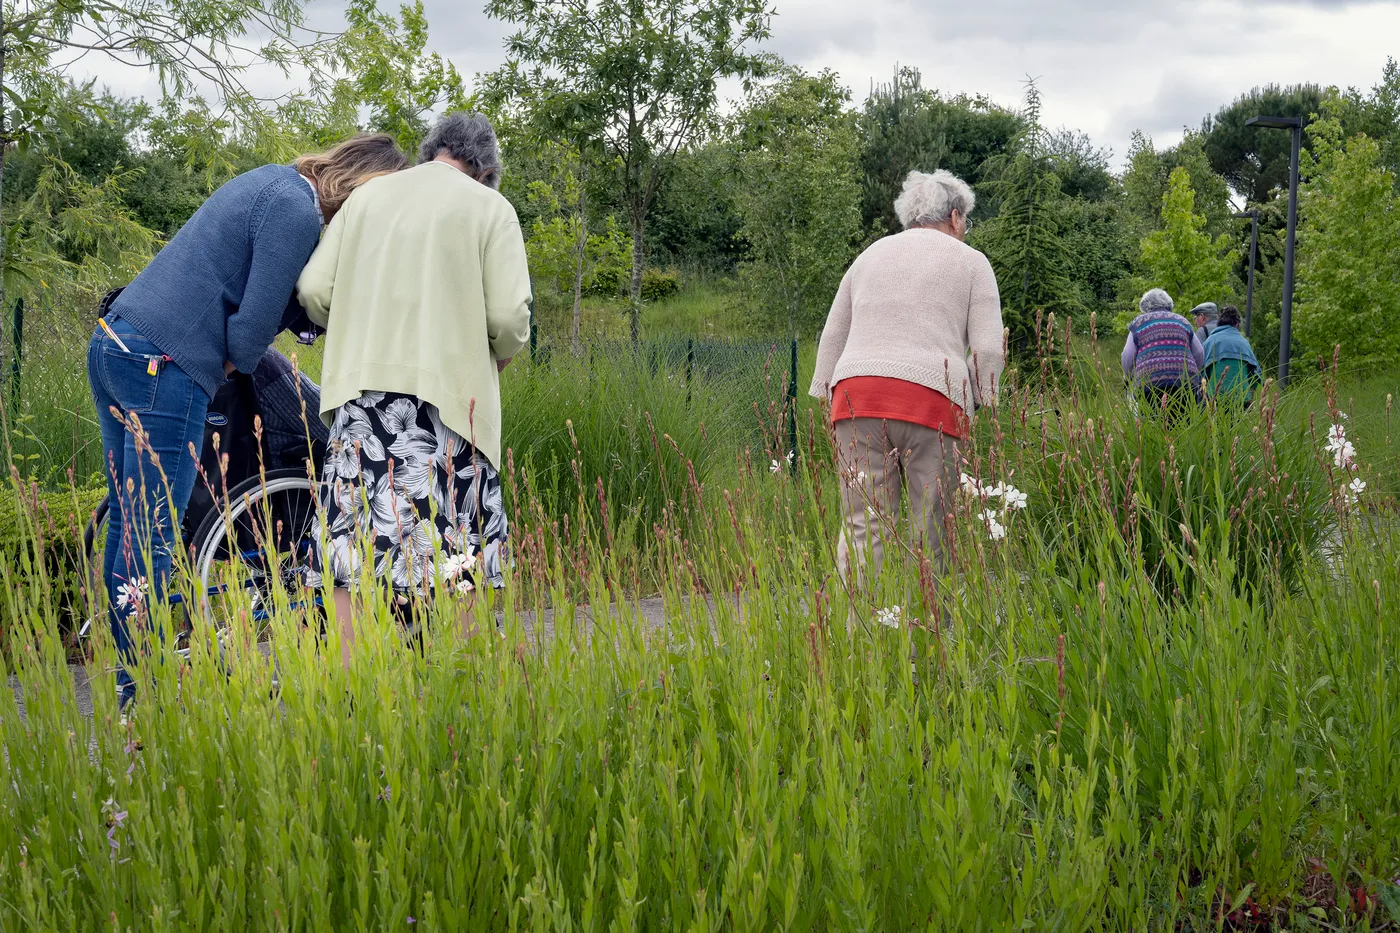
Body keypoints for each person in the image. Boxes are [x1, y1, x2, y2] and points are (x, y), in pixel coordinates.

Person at [88, 133, 408, 709]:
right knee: (155, 534)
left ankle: (128, 688)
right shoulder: (296, 213)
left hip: (117, 344)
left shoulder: (274, 183)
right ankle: (144, 698)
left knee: (130, 527)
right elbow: (249, 331)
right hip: (167, 363)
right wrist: (240, 356)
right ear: (361, 189)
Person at [296, 113, 532, 666]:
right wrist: (497, 353)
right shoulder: (490, 209)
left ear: (432, 152)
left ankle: (348, 698)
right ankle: (457, 696)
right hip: (448, 414)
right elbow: (507, 315)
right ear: (487, 170)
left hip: (361, 407)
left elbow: (312, 289)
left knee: (353, 552)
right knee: (456, 554)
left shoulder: (366, 200)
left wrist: (359, 326)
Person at [810, 169, 1005, 584]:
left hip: (855, 398)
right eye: (964, 222)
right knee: (933, 528)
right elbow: (988, 348)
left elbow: (833, 333)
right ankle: (933, 637)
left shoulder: (869, 256)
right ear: (955, 218)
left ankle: (859, 639)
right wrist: (982, 400)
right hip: (932, 402)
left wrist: (825, 391)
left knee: (863, 525)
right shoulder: (971, 262)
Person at [1121, 288, 1205, 419]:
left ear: (1145, 307)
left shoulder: (1139, 323)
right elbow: (1199, 352)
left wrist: (1128, 376)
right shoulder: (1183, 321)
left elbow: (1128, 355)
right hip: (1185, 383)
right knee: (1183, 424)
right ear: (1169, 304)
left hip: (1150, 383)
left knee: (1152, 423)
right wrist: (1194, 373)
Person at [1201, 305, 1260, 405]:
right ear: (1236, 324)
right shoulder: (1244, 343)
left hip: (1214, 398)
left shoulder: (1210, 341)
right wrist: (1250, 396)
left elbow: (1201, 372)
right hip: (1241, 399)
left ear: (1218, 324)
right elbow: (1255, 373)